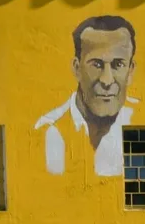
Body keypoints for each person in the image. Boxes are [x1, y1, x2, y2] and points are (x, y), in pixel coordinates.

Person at [34, 15, 138, 178]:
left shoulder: (142, 120)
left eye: (118, 65)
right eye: (96, 64)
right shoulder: (49, 130)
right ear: (76, 68)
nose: (107, 80)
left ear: (131, 70)